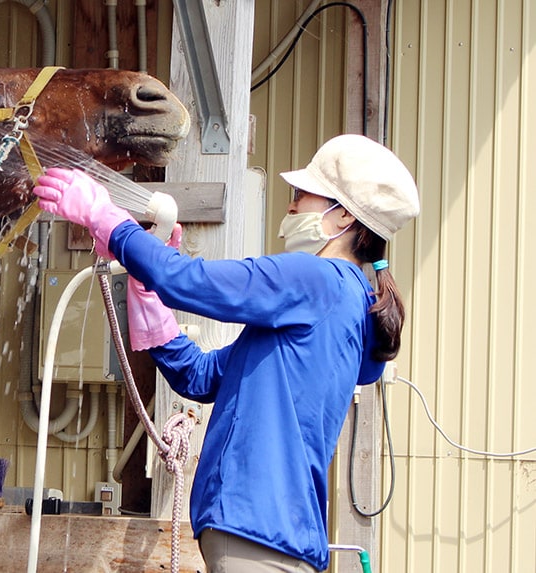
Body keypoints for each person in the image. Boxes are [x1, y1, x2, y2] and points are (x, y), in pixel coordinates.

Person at [33, 133, 419, 572]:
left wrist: (107, 219)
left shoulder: (316, 279)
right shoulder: (337, 307)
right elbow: (197, 376)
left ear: (344, 216)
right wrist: (147, 289)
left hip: (256, 531)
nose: (290, 206)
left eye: (302, 196)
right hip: (268, 537)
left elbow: (188, 281)